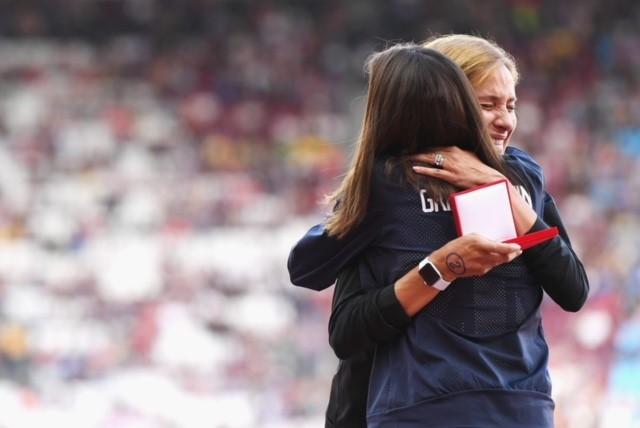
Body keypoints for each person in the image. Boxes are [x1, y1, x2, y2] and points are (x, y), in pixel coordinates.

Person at [288, 36, 589, 428]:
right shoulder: (393, 183)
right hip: (407, 408)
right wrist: (440, 268)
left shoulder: (522, 176)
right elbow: (342, 324)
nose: (506, 120)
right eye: (487, 105)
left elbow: (574, 288)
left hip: (519, 407)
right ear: (447, 102)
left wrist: (496, 186)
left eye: (511, 105)